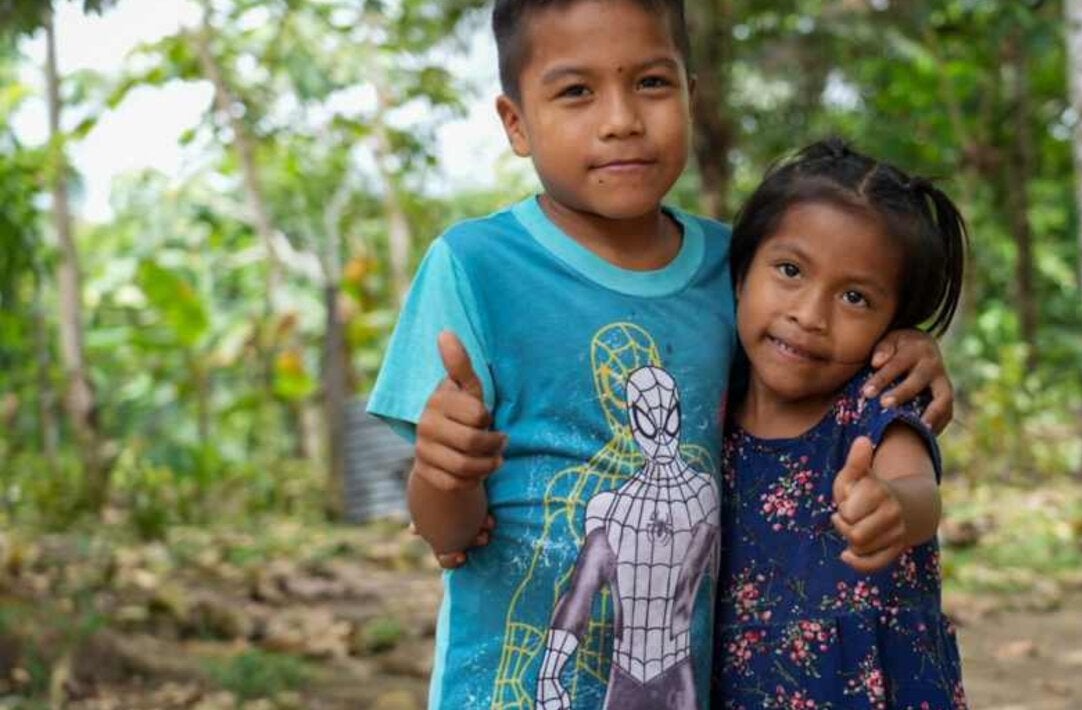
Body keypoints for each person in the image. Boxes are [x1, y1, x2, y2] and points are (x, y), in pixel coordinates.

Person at [366, 1, 954, 707]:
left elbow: (809, 358)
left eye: (651, 83)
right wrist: (443, 468)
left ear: (690, 95)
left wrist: (907, 345)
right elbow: (448, 535)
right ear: (516, 123)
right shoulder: (474, 267)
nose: (621, 119)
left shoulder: (731, 269)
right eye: (576, 91)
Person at [713, 138, 970, 709]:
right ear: (740, 274)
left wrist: (894, 509)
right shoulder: (707, 400)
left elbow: (919, 493)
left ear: (891, 325)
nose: (809, 315)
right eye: (789, 270)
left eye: (855, 297)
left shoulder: (876, 404)